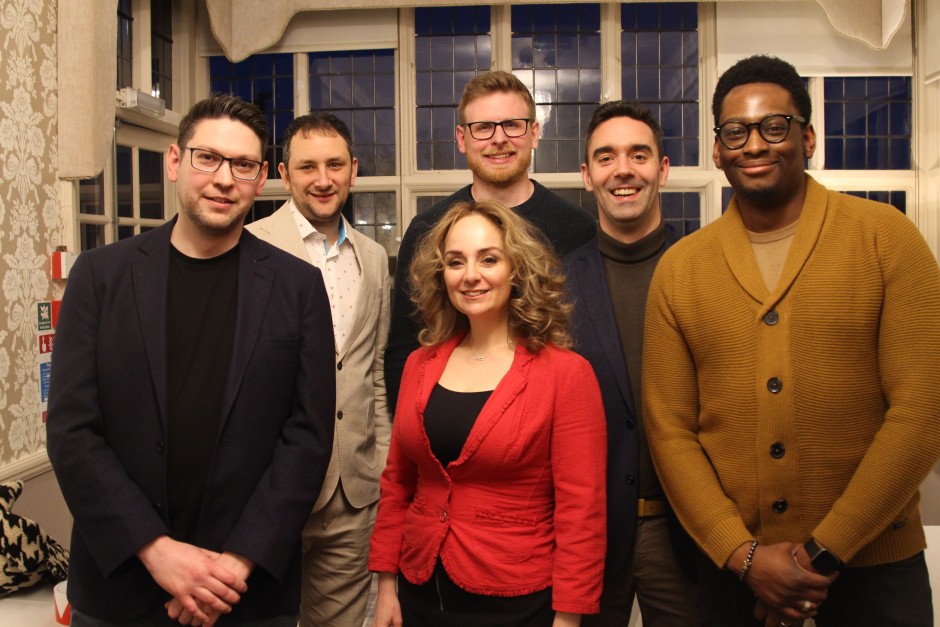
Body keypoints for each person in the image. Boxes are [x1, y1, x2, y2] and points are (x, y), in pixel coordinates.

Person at [643, 54, 940, 627]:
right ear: (716, 149)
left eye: (773, 127)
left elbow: (920, 413)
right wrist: (744, 555)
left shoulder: (888, 239)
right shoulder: (680, 269)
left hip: (876, 575)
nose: (754, 144)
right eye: (736, 131)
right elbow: (669, 428)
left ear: (807, 137)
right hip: (734, 579)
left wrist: (818, 555)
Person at [46, 95, 336, 626]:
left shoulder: (298, 287)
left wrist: (233, 567)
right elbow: (72, 433)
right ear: (176, 161)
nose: (225, 179)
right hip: (121, 589)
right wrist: (160, 554)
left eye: (243, 165)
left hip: (246, 593)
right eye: (209, 158)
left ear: (262, 177)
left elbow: (308, 439)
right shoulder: (100, 277)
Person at [369, 200, 607, 627]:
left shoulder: (566, 375)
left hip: (515, 599)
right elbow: (398, 483)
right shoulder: (419, 366)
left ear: (516, 268)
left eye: (489, 259)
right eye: (455, 262)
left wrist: (569, 619)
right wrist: (386, 585)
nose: (470, 275)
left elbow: (581, 512)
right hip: (419, 591)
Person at [246, 112, 391, 627]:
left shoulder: (374, 258)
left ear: (353, 170)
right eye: (308, 166)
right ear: (284, 174)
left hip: (352, 494)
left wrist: (382, 467)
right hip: (265, 490)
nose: (323, 179)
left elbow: (371, 372)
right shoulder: (249, 247)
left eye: (335, 164)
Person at [384, 70, 596, 409]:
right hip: (447, 426)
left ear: (534, 133)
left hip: (550, 425)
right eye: (483, 127)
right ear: (461, 139)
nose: (499, 139)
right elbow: (403, 349)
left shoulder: (579, 229)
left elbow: (588, 344)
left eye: (512, 124)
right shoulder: (428, 229)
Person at [564, 101, 697, 626]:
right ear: (587, 175)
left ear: (662, 169)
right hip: (589, 536)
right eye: (606, 156)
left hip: (689, 534)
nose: (623, 169)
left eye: (638, 155)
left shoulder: (704, 270)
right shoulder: (555, 286)